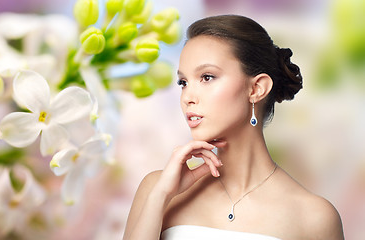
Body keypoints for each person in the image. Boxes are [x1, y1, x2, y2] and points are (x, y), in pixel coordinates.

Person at [123, 15, 344, 240]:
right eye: (183, 82)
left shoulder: (314, 217)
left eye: (207, 77)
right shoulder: (158, 189)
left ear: (256, 88)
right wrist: (160, 196)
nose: (187, 96)